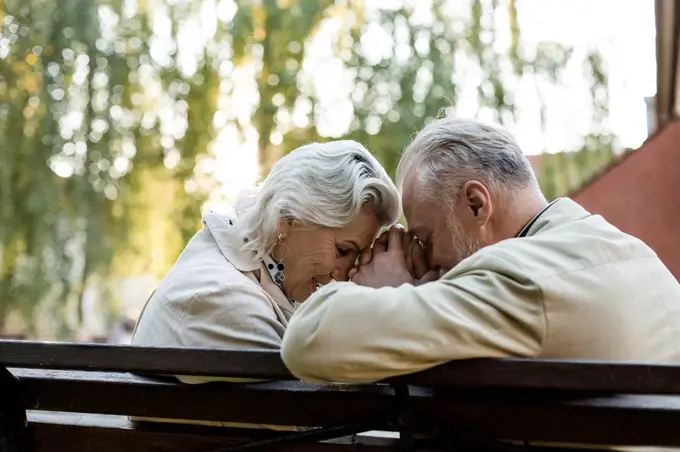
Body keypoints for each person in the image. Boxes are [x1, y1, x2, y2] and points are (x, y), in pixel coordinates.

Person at [280, 115, 680, 384]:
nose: (426, 258)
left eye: (425, 237)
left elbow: (307, 339)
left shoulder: (518, 279)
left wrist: (389, 292)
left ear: (476, 203)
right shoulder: (635, 256)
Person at [132, 140, 401, 385]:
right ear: (289, 217)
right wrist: (389, 301)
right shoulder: (223, 298)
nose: (344, 275)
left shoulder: (247, 276)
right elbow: (329, 410)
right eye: (343, 250)